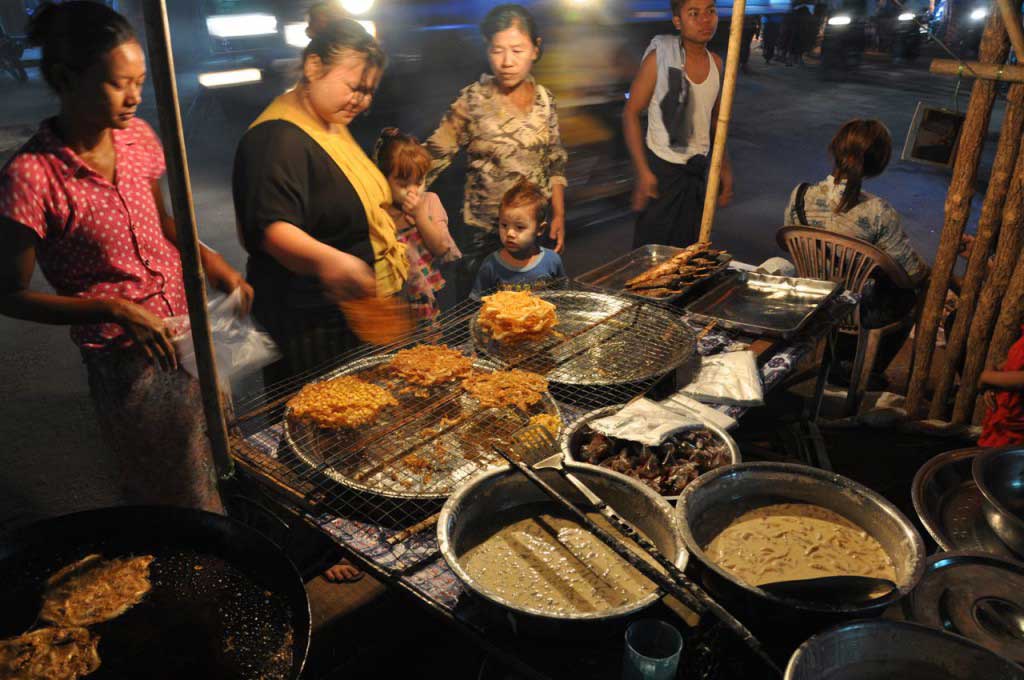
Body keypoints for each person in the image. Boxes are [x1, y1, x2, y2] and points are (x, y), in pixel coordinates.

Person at [0, 2, 253, 513]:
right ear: (66, 78)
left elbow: (165, 225)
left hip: (191, 334)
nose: (135, 96)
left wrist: (213, 263)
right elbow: (9, 294)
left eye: (139, 81)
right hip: (127, 360)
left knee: (224, 455)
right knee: (175, 489)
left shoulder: (138, 138)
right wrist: (112, 308)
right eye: (119, 83)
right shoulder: (31, 176)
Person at [233, 18, 407, 387]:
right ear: (314, 67)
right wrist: (330, 260)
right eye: (354, 86)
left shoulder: (328, 121)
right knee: (321, 427)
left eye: (369, 91)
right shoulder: (276, 138)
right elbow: (270, 229)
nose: (362, 100)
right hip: (310, 327)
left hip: (351, 314)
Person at [425, 3, 568, 300]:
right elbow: (433, 157)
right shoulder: (472, 100)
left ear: (535, 49)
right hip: (482, 236)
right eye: (496, 50)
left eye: (516, 50)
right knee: (477, 317)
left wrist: (558, 214)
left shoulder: (545, 100)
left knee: (532, 315)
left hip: (529, 232)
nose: (506, 62)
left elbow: (555, 160)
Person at [784, 119, 929, 383]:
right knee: (910, 296)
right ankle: (862, 370)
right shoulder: (879, 212)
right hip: (853, 311)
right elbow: (911, 275)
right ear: (879, 164)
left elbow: (788, 242)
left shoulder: (800, 196)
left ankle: (834, 359)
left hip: (809, 299)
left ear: (835, 148)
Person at [624, 0, 734, 250]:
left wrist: (725, 170)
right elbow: (630, 113)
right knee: (650, 258)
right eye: (694, 14)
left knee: (687, 256)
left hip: (695, 174)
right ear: (678, 21)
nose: (705, 20)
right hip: (661, 175)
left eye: (711, 11)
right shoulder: (660, 58)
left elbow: (716, 121)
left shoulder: (717, 64)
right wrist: (643, 172)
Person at [374, 127, 461, 323]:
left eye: (419, 182)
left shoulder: (429, 202)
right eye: (403, 184)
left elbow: (441, 249)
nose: (413, 191)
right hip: (398, 301)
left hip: (433, 294)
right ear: (382, 179)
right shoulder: (379, 212)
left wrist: (420, 215)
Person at [471, 178, 565, 298]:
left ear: (540, 230)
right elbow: (480, 302)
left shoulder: (552, 261)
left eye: (520, 227)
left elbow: (563, 296)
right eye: (504, 225)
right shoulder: (490, 265)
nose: (509, 233)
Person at [979, 326, 1024, 448]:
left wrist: (986, 377)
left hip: (1016, 434)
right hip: (1004, 424)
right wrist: (992, 383)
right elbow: (1008, 363)